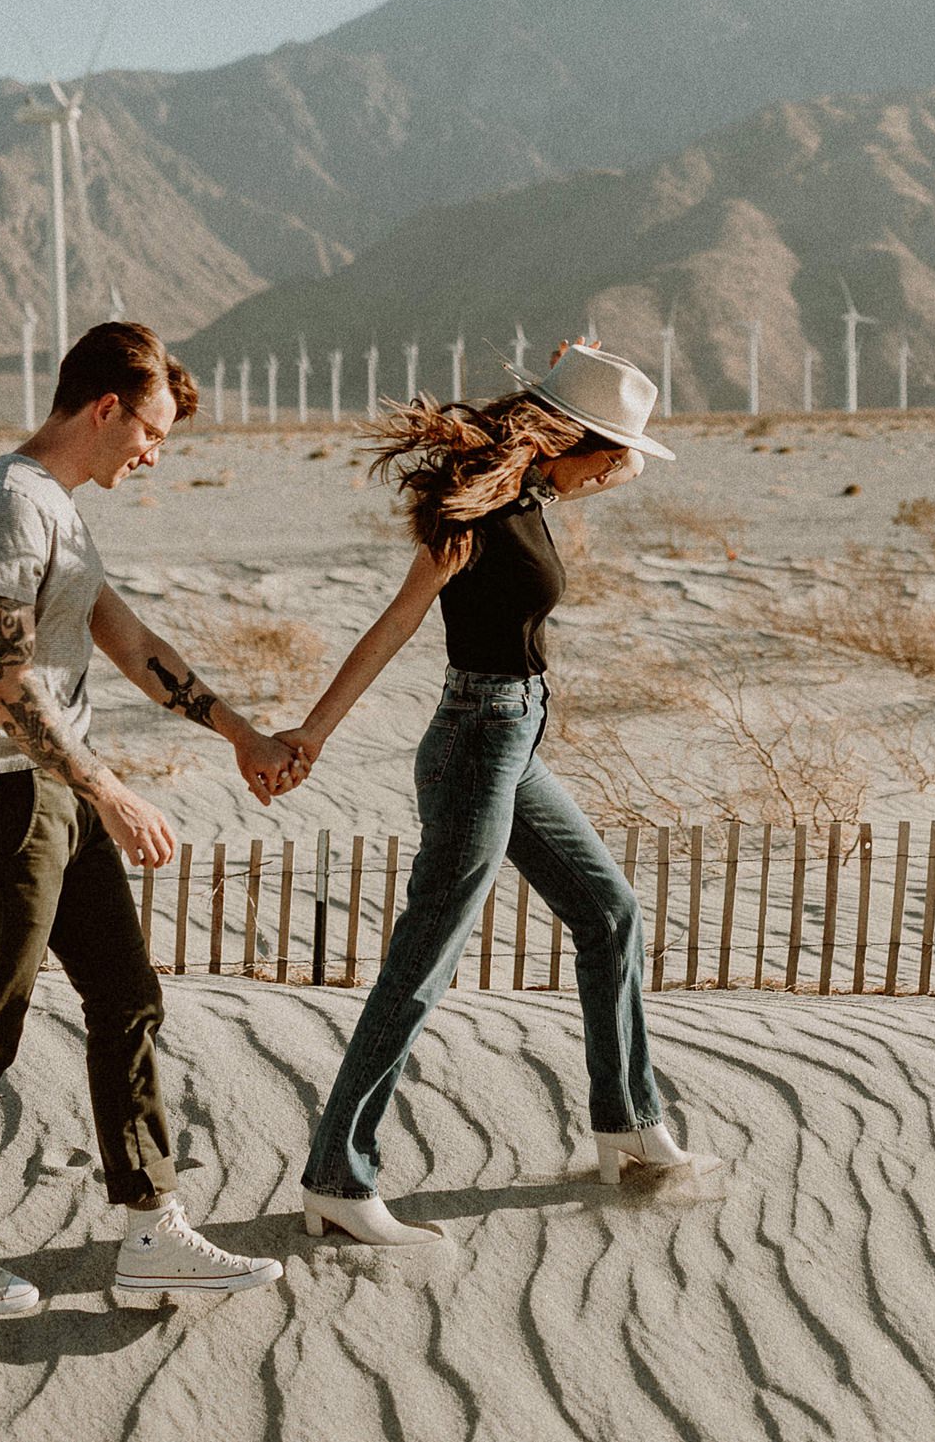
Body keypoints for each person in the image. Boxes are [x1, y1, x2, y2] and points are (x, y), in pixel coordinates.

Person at [0, 321, 303, 1315]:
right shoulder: (7, 509)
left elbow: (128, 637)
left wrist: (238, 732)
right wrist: (111, 791)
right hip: (0, 797)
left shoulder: (57, 509)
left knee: (127, 998)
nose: (153, 454)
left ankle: (151, 1228)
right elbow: (1, 684)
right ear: (105, 407)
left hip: (59, 791)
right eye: (149, 431)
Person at [278, 341, 720, 1246]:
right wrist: (312, 732)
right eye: (612, 458)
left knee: (609, 914)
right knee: (425, 961)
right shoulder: (477, 510)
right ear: (574, 443)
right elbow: (400, 618)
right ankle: (337, 1176)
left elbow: (609, 468)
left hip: (514, 741)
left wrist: (585, 412)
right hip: (477, 739)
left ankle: (628, 1123)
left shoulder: (527, 492)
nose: (616, 476)